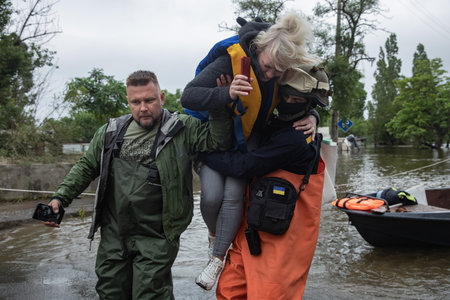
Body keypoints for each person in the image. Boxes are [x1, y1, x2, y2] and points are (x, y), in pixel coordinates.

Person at [42, 70, 232, 299]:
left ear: (161, 98)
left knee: (150, 293)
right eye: (136, 101)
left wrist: (219, 102)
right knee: (110, 290)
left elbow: (218, 141)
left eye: (149, 100)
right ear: (128, 102)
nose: (143, 107)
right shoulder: (111, 132)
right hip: (114, 231)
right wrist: (60, 198)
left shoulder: (183, 127)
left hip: (158, 234)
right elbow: (85, 167)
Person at [180, 12, 320, 290]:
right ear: (260, 50)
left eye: (277, 73)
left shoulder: (283, 66)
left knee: (233, 195)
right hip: (217, 137)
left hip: (251, 137)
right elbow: (188, 96)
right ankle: (214, 235)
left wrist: (313, 115)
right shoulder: (228, 61)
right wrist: (227, 93)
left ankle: (218, 258)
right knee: (211, 198)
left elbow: (310, 92)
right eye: (267, 68)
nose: (269, 76)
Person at [199, 64, 331, 299]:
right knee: (228, 290)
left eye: (297, 99)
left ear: (309, 103)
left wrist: (202, 153)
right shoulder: (276, 124)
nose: (289, 102)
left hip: (283, 244)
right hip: (252, 232)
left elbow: (244, 166)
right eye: (285, 96)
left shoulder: (296, 138)